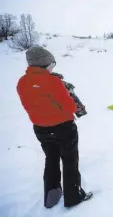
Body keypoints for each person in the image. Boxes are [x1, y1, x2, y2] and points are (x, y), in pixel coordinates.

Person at [16, 46, 92, 208]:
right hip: (63, 128)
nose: (53, 67)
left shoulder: (22, 82)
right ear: (44, 64)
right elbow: (70, 107)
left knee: (51, 159)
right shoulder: (53, 81)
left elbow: (34, 102)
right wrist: (68, 93)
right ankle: (73, 196)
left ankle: (51, 195)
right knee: (70, 161)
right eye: (52, 63)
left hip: (41, 129)